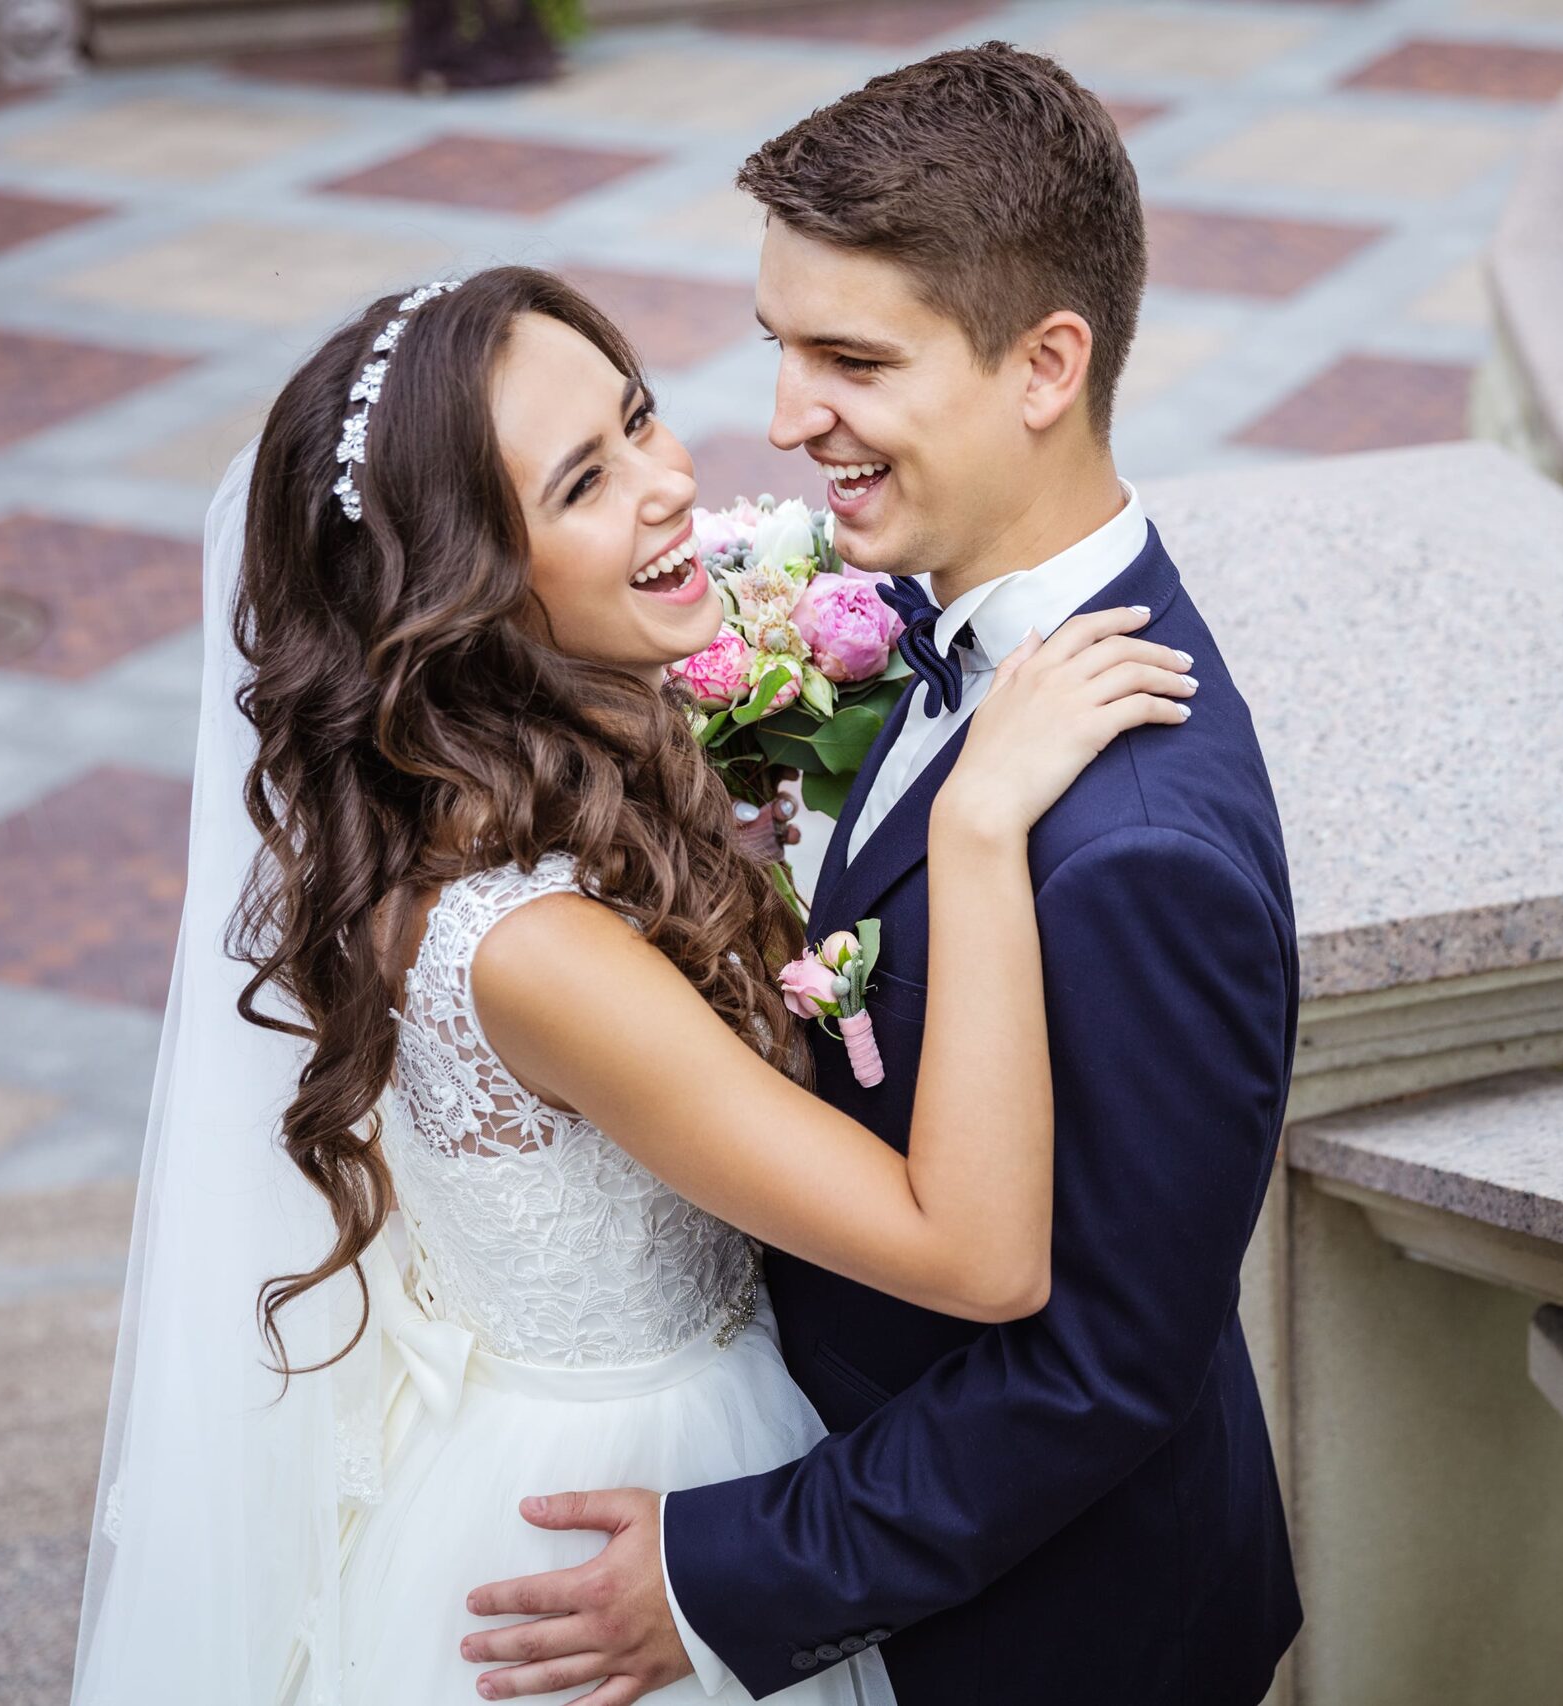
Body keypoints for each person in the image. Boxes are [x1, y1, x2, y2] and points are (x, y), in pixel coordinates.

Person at [69, 263, 1195, 1706]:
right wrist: (974, 829)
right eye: (585, 484)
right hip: (624, 1504)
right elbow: (979, 1258)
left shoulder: (502, 788)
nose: (669, 483)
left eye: (641, 418)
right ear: (466, 589)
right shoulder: (537, 953)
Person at [461, 46, 1304, 1706]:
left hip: (1050, 1640)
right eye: (783, 347)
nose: (783, 420)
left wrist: (723, 1575)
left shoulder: (1141, 849)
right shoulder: (925, 623)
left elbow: (1100, 1367)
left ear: (1045, 364)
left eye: (851, 358)